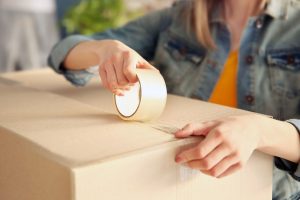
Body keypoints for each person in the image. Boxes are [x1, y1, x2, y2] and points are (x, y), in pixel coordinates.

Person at [48, 0, 300, 199]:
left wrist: (259, 130)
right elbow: (63, 52)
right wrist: (103, 50)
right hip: (169, 183)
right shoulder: (178, 18)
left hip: (267, 192)